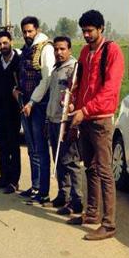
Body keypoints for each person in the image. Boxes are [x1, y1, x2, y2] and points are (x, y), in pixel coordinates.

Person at [68, 10, 124, 241]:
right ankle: (91, 214)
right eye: (84, 31)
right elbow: (79, 83)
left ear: (101, 28)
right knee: (88, 167)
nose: (86, 35)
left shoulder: (112, 51)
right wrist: (72, 102)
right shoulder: (84, 52)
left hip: (100, 119)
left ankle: (108, 224)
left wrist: (86, 110)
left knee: (104, 171)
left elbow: (110, 89)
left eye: (90, 30)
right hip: (84, 118)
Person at [14, 16, 55, 203]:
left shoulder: (46, 48)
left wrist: (32, 102)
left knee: (40, 148)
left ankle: (43, 191)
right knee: (31, 148)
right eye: (24, 32)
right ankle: (35, 185)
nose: (27, 35)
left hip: (38, 105)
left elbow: (46, 80)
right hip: (26, 104)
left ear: (37, 30)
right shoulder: (26, 49)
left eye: (30, 31)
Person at [46, 36, 84, 215]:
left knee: (71, 162)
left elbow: (77, 94)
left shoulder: (73, 70)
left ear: (69, 49)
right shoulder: (56, 69)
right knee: (59, 160)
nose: (58, 52)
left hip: (66, 123)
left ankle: (77, 200)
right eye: (56, 49)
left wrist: (72, 105)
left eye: (62, 49)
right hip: (53, 120)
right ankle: (63, 195)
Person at [0, 30, 22, 194]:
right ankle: (3, 178)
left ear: (11, 42)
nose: (2, 46)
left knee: (13, 147)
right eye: (0, 44)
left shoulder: (19, 62)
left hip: (14, 112)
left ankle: (14, 181)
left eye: (5, 43)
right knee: (2, 146)